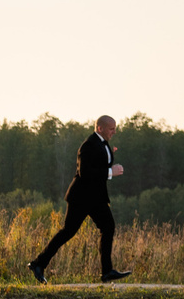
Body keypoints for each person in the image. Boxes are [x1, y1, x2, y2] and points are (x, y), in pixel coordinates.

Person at [29, 115, 132, 284]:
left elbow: (98, 164)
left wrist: (109, 158)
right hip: (81, 198)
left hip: (96, 198)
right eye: (111, 129)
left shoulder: (104, 144)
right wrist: (110, 172)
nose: (114, 132)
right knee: (68, 232)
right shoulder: (88, 145)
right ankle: (38, 264)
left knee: (108, 227)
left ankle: (107, 272)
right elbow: (85, 173)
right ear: (100, 128)